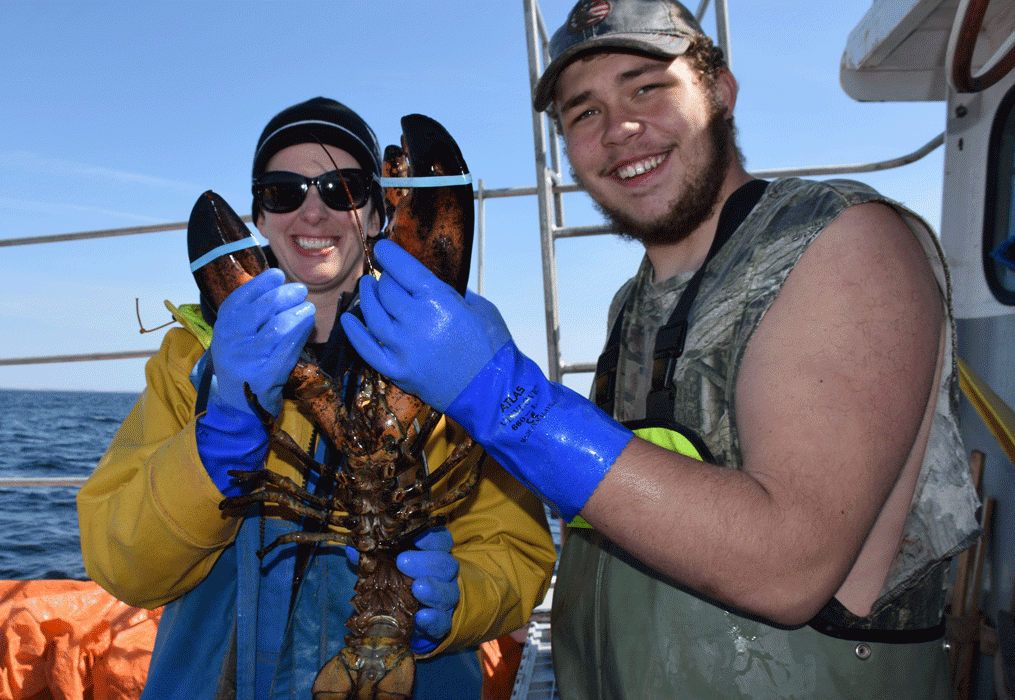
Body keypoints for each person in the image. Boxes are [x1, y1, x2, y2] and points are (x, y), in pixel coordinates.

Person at [338, 2, 983, 697]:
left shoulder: (843, 243)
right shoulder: (632, 304)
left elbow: (790, 565)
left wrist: (505, 399)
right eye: (583, 112)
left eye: (647, 87)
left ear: (722, 91)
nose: (619, 129)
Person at [76, 96, 556, 700]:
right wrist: (217, 438)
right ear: (259, 218)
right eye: (283, 191)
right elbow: (125, 567)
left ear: (381, 213)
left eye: (343, 187)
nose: (313, 208)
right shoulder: (191, 362)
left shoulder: (460, 347)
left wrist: (460, 600)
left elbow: (516, 549)